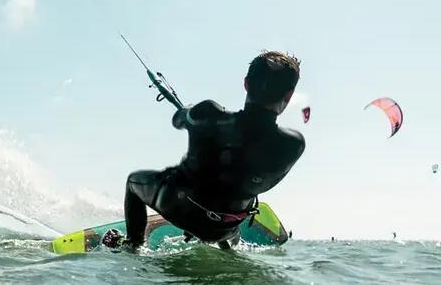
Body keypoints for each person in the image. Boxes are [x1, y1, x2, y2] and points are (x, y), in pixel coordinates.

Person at [105, 51, 305, 251]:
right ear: (289, 95)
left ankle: (133, 244)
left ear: (246, 84)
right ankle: (230, 244)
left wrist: (190, 112)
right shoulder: (293, 145)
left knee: (133, 181)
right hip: (224, 227)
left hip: (179, 207)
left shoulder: (209, 114)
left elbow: (178, 120)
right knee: (236, 194)